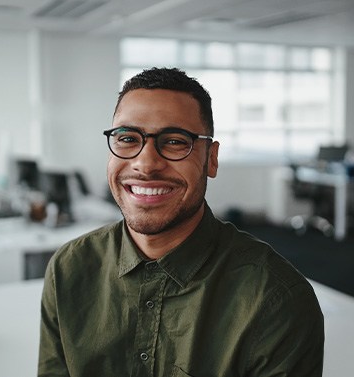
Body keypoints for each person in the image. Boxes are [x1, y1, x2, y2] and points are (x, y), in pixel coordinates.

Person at [38, 67, 324, 377]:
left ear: (211, 159)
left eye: (175, 141)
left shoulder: (275, 299)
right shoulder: (69, 269)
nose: (145, 164)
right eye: (127, 138)